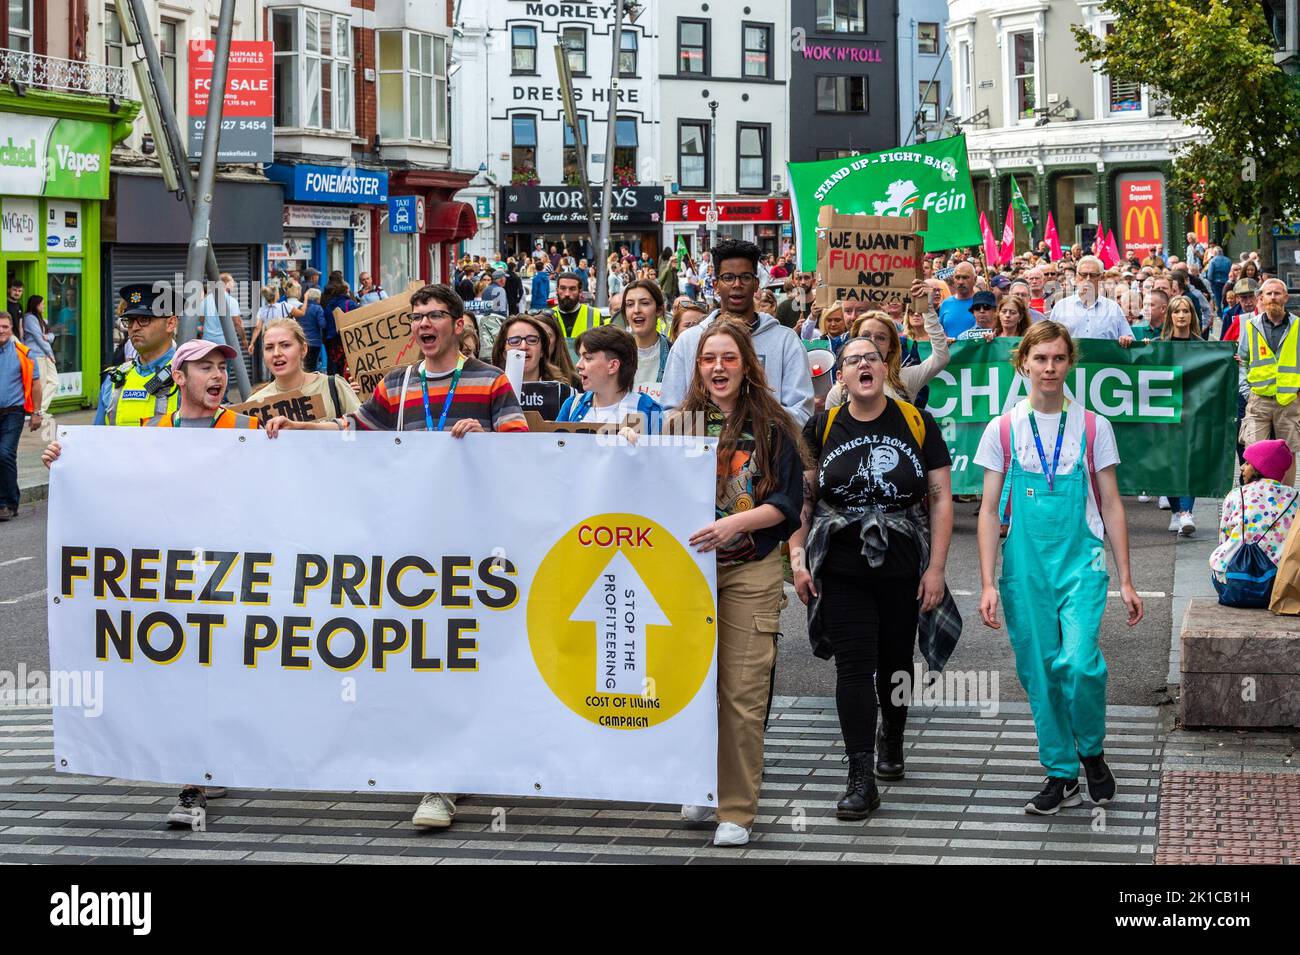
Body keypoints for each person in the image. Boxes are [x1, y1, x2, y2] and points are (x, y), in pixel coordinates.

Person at [266, 285, 526, 833]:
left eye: (435, 315)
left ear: (458, 323)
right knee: (425, 657)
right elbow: (351, 431)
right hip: (410, 548)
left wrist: (484, 435)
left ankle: (450, 773)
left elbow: (523, 450)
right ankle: (440, 770)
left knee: (465, 655)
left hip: (470, 545)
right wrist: (298, 428)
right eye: (417, 317)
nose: (425, 324)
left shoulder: (490, 379)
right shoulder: (396, 384)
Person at [976, 321, 1143, 815]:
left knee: (1079, 662)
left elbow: (1112, 504)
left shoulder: (1094, 426)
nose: (1049, 368)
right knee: (1040, 672)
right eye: (1041, 358)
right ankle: (1060, 772)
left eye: (1059, 358)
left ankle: (1090, 749)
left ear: (1071, 363)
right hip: (1024, 568)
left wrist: (1128, 579)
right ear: (1023, 362)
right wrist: (986, 582)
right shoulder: (1002, 428)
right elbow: (987, 510)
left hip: (1082, 563)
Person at [791, 335, 954, 818]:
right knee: (854, 666)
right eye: (852, 360)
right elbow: (802, 501)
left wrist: (937, 569)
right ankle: (860, 776)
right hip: (840, 562)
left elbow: (941, 497)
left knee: (895, 659)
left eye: (872, 358)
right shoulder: (820, 427)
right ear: (840, 374)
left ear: (887, 369)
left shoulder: (917, 422)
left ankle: (894, 737)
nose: (864, 365)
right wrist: (798, 558)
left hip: (902, 561)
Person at [673, 319, 804, 846]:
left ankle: (736, 808)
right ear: (698, 367)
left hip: (749, 569)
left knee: (742, 692)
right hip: (686, 574)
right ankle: (700, 784)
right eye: (709, 359)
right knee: (691, 688)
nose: (718, 367)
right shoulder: (679, 423)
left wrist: (734, 523)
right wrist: (632, 437)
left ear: (747, 365)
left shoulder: (774, 426)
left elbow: (788, 507)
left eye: (729, 358)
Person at [661, 239, 815, 427]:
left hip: (769, 454)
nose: (737, 284)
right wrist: (714, 428)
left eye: (745, 277)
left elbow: (802, 413)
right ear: (716, 285)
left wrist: (752, 423)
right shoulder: (688, 341)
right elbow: (669, 413)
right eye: (728, 277)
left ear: (756, 284)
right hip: (703, 454)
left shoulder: (785, 342)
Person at [824, 282, 949, 410]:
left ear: (891, 345)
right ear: (855, 339)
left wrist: (927, 307)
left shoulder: (905, 379)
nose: (872, 342)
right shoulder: (839, 393)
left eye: (881, 338)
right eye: (866, 336)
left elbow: (941, 358)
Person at [1210, 439, 1298, 601]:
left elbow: (1224, 538)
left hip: (1234, 582)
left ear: (1261, 467)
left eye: (1248, 463)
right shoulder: (1294, 498)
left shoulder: (1237, 494)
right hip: (1277, 584)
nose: (1242, 467)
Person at [95, 284, 181, 427]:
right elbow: (95, 439)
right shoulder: (113, 379)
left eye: (144, 319)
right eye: (130, 321)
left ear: (170, 323)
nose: (134, 328)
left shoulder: (188, 378)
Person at [250, 318, 362, 420]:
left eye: (285, 345)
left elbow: (363, 430)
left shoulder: (334, 387)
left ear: (303, 349)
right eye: (269, 348)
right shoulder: (254, 404)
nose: (276, 353)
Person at [1238, 277, 1300, 453]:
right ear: (1261, 298)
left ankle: (1286, 484)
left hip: (1289, 401)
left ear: (1286, 297)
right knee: (1254, 454)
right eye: (1269, 293)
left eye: (1277, 293)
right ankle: (1256, 483)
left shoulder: (1297, 325)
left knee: (1287, 454)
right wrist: (1247, 391)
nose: (1273, 297)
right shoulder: (1250, 326)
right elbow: (1242, 361)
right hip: (1258, 400)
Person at [557, 325, 661, 426]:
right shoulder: (572, 405)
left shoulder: (650, 411)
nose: (578, 365)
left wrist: (637, 442)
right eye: (580, 357)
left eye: (588, 358)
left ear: (613, 366)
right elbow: (552, 442)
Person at [491, 314, 575, 420]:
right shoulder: (489, 393)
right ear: (503, 351)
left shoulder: (565, 395)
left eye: (532, 340)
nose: (523, 346)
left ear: (542, 351)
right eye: (515, 341)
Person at [0, 311, 42, 521]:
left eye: (5, 327)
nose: (1, 330)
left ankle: (6, 503)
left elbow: (36, 384)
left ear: (11, 329)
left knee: (5, 454)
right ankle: (10, 498)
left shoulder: (23, 353)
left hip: (13, 412)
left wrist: (36, 412)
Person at [1050, 256, 1134, 343]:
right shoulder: (1061, 307)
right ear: (1076, 277)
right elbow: (1049, 340)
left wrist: (1126, 339)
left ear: (1101, 278)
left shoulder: (1113, 308)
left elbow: (1128, 337)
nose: (1088, 279)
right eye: (1083, 274)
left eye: (1093, 275)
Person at [622, 279, 670, 397]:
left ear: (659, 310)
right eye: (630, 305)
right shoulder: (615, 355)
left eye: (645, 303)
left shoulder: (674, 354)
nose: (636, 310)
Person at [21, 295, 56, 415]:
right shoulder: (30, 319)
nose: (44, 306)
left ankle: (40, 409)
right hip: (36, 354)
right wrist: (50, 353)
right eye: (42, 304)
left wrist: (48, 337)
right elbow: (38, 338)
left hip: (44, 354)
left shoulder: (41, 319)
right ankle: (38, 411)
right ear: (36, 305)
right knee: (40, 383)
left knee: (54, 382)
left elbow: (51, 335)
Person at [553, 271, 603, 338]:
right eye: (563, 288)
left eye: (572, 289)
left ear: (580, 292)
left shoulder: (594, 315)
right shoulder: (548, 316)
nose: (567, 294)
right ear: (557, 291)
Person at [938, 262, 977, 337]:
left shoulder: (983, 304)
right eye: (957, 277)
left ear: (975, 279)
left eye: (965, 277)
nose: (961, 282)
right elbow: (940, 332)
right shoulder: (945, 304)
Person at [300, 288, 327, 372]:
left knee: (303, 366)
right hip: (315, 342)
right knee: (312, 366)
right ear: (317, 298)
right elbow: (322, 324)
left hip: (302, 341)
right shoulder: (318, 309)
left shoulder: (300, 307)